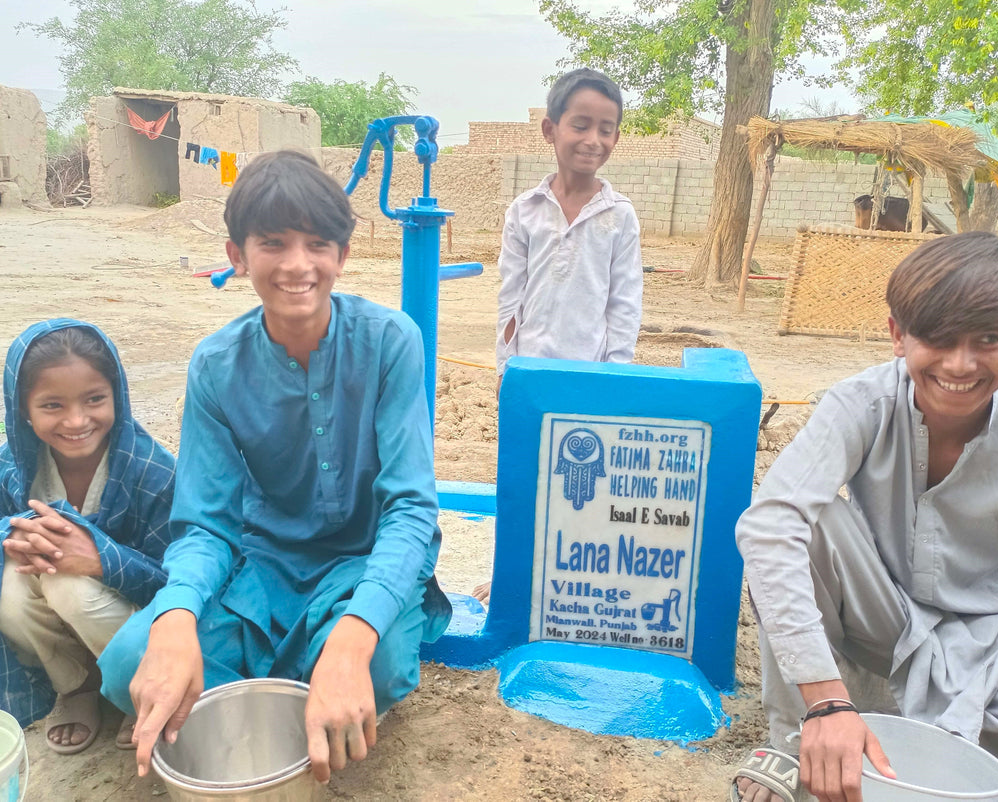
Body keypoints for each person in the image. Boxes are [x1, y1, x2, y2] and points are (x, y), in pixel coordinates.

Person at [98, 149, 452, 782]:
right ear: (237, 257)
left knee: (374, 664)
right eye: (273, 243)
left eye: (318, 243)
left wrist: (356, 632)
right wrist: (176, 615)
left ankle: (301, 684)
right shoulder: (214, 365)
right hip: (262, 569)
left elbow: (409, 511)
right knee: (131, 662)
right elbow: (206, 525)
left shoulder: (391, 342)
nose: (297, 265)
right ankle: (293, 698)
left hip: (362, 564)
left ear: (343, 255)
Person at [732, 231, 998, 802]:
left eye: (987, 339)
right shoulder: (862, 403)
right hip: (884, 619)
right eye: (937, 339)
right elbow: (769, 527)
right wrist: (827, 703)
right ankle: (799, 739)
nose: (960, 365)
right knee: (805, 525)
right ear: (897, 335)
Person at [476, 67, 643, 604]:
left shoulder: (619, 216)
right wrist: (508, 368)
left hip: (592, 377)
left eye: (607, 129)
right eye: (580, 125)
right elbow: (510, 298)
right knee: (523, 476)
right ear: (551, 131)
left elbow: (623, 305)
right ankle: (509, 575)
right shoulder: (525, 211)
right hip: (531, 374)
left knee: (585, 484)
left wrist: (615, 378)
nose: (593, 140)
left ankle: (572, 584)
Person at [0, 319, 176, 754]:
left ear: (118, 396)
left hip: (141, 618)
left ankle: (141, 687)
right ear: (22, 409)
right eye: (52, 405)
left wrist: (101, 559)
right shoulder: (15, 468)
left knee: (69, 587)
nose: (77, 421)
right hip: (65, 617)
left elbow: (177, 581)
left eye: (95, 399)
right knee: (12, 589)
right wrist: (19, 538)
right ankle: (78, 683)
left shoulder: (152, 471)